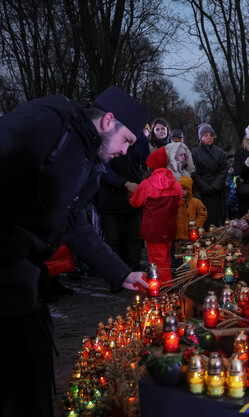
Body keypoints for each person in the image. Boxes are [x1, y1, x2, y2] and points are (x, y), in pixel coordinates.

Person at [0, 86, 149, 416]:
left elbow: (76, 225)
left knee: (32, 377)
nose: (126, 152)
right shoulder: (50, 121)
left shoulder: (89, 165)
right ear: (108, 120)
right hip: (8, 273)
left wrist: (120, 272)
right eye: (127, 140)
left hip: (24, 282)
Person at [96, 130, 150, 291]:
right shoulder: (108, 136)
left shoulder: (141, 138)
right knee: (113, 239)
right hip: (110, 196)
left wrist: (143, 180)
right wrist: (125, 183)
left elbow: (145, 163)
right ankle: (116, 277)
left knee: (134, 237)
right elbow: (104, 168)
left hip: (132, 196)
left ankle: (133, 273)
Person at [130, 147, 182, 286]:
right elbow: (179, 203)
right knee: (165, 258)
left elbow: (135, 202)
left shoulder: (147, 184)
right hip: (169, 228)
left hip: (153, 230)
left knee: (157, 261)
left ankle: (164, 289)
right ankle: (165, 287)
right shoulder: (176, 185)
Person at [190, 124, 229, 229]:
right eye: (205, 135)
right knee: (205, 218)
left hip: (217, 190)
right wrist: (205, 187)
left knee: (218, 219)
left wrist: (216, 185)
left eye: (211, 135)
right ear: (201, 137)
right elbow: (194, 171)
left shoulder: (219, 152)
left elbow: (224, 169)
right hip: (203, 191)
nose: (209, 137)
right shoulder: (194, 153)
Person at [175, 176, 207, 242]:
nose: (182, 191)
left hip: (192, 235)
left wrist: (195, 225)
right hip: (177, 236)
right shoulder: (175, 202)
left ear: (189, 190)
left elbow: (202, 214)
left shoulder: (196, 202)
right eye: (180, 188)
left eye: (184, 189)